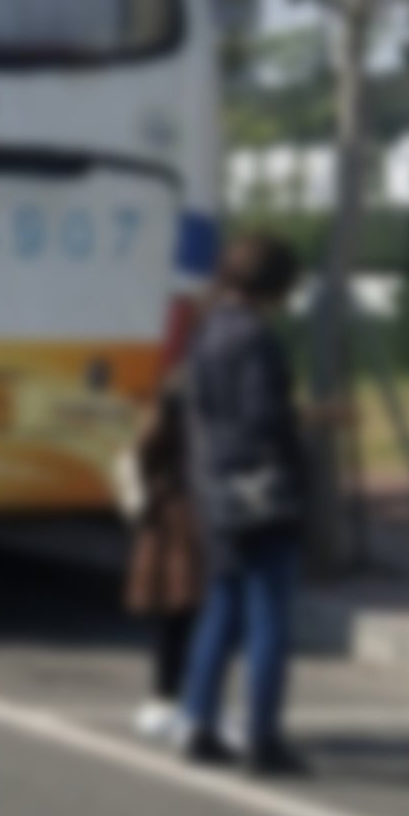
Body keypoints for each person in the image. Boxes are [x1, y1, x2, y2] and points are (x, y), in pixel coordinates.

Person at [177, 231, 311, 778]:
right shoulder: (256, 339)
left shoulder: (207, 331)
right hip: (261, 490)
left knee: (222, 605)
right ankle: (262, 736)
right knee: (268, 613)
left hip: (214, 484)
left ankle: (199, 722)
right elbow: (262, 418)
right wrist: (299, 434)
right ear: (275, 286)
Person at [122, 368, 205, 744]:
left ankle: (166, 698)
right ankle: (179, 699)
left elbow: (142, 452)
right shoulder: (195, 386)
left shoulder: (179, 386)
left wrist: (145, 493)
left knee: (173, 617)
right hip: (190, 515)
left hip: (171, 516)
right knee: (186, 616)